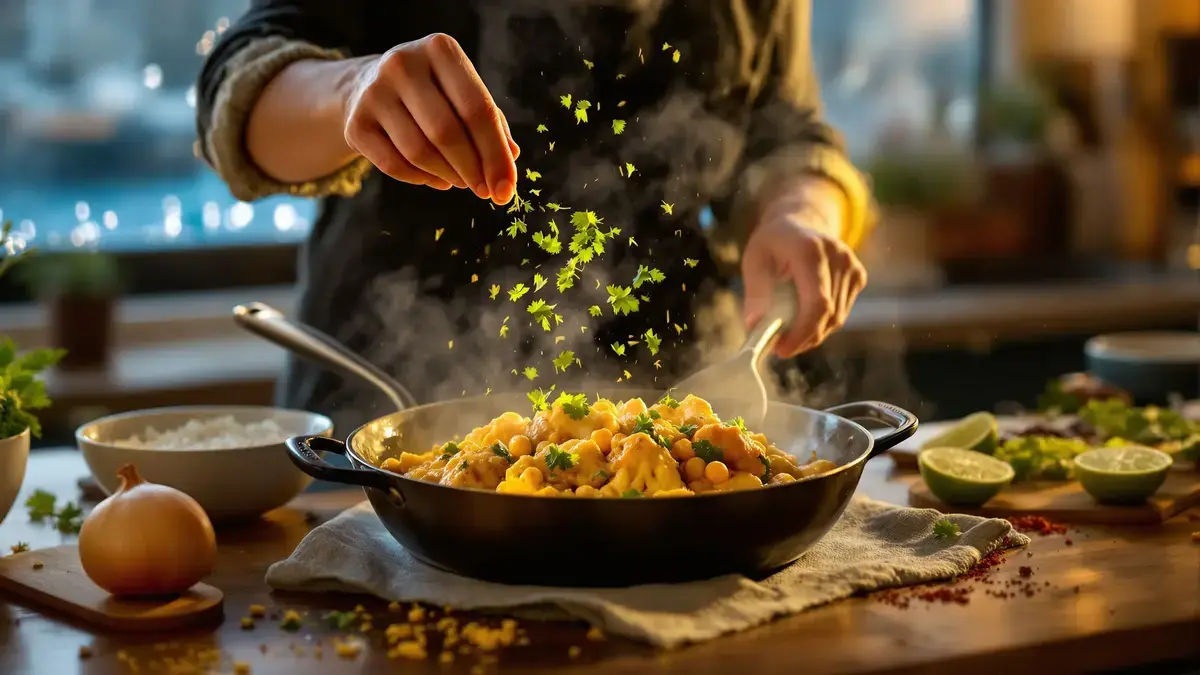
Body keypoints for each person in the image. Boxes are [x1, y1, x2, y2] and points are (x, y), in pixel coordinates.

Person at [196, 0, 874, 429]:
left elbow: (790, 133)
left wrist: (800, 213)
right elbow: (240, 88)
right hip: (383, 413)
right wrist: (350, 91)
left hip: (678, 409)